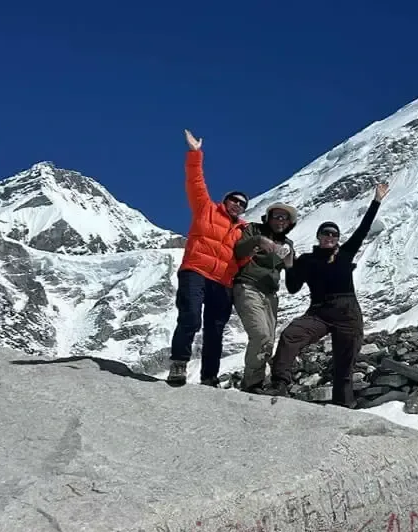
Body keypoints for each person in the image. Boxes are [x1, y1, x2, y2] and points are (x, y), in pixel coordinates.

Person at [268, 182, 389, 407]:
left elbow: (363, 229)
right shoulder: (306, 260)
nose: (330, 236)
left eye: (334, 234)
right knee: (290, 335)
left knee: (344, 364)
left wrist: (376, 200)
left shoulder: (345, 253)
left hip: (347, 312)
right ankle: (279, 384)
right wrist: (288, 264)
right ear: (319, 236)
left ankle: (342, 408)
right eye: (326, 233)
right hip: (319, 312)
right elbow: (293, 287)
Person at [166, 129, 251, 386]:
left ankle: (209, 377)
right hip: (196, 271)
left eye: (242, 203)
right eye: (234, 200)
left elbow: (245, 259)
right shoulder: (206, 209)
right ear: (225, 200)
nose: (237, 204)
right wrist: (195, 153)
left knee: (215, 330)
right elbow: (195, 182)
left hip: (223, 282)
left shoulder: (244, 230)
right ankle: (179, 364)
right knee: (190, 316)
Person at [231, 202, 299, 392]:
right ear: (268, 218)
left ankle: (255, 383)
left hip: (270, 294)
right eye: (276, 216)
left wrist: (290, 263)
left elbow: (292, 274)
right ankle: (252, 383)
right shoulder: (253, 229)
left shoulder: (287, 244)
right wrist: (258, 241)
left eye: (284, 218)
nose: (279, 220)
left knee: (268, 340)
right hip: (247, 285)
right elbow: (237, 250)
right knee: (260, 334)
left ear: (289, 223)